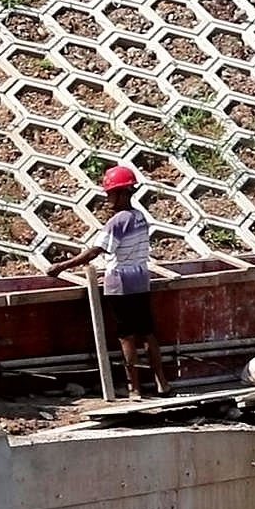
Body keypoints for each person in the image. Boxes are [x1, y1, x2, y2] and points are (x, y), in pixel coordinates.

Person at [45, 164, 170, 398]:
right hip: (141, 280)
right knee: (148, 333)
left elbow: (95, 251)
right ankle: (162, 382)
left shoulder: (117, 222)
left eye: (110, 193)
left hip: (121, 285)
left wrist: (61, 266)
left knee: (127, 335)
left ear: (123, 192)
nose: (107, 198)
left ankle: (134, 388)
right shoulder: (140, 217)